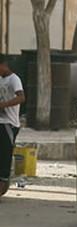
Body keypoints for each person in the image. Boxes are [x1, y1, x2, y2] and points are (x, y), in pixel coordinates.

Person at [0, 55, 24, 198]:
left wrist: (4, 105)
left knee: (4, 156)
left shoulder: (14, 79)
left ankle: (3, 185)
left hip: (9, 123)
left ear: (3, 65)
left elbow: (21, 97)